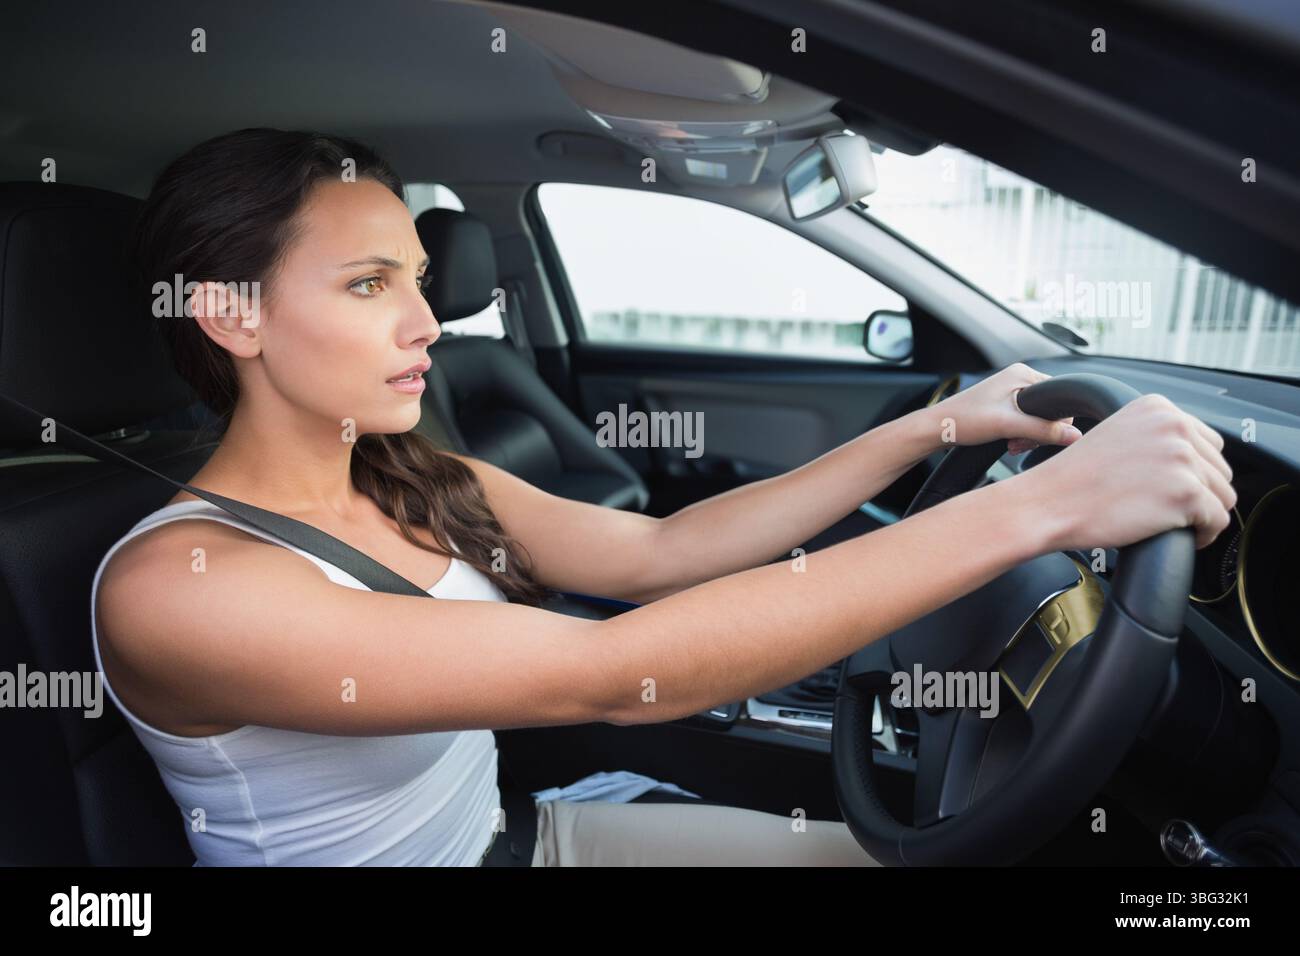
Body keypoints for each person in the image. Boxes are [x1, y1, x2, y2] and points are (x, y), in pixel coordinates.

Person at [91, 128, 1235, 867]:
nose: (426, 324)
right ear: (232, 313)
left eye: (419, 284)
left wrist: (939, 425)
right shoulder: (181, 589)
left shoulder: (408, 475)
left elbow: (663, 548)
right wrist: (1037, 511)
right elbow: (614, 675)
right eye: (366, 285)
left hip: (517, 839)